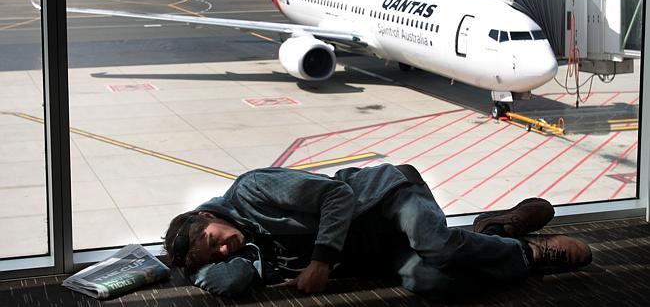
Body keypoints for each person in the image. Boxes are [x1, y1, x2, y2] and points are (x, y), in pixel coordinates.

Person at [163, 164, 592, 298]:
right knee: (435, 282)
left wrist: (321, 262)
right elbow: (230, 282)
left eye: (210, 241)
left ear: (204, 216)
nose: (222, 249)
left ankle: (530, 254)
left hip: (385, 199)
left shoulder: (252, 190)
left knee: (436, 244)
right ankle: (495, 230)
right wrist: (191, 267)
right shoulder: (239, 254)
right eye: (213, 255)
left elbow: (338, 196)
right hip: (371, 250)